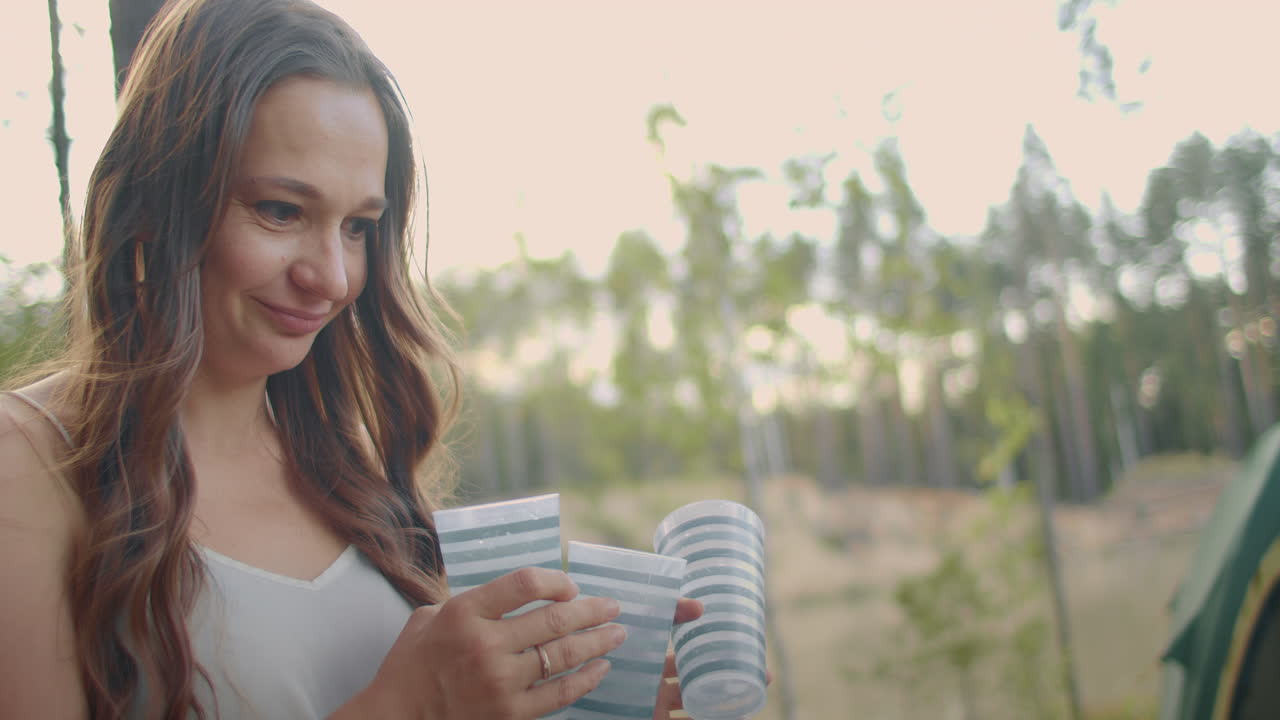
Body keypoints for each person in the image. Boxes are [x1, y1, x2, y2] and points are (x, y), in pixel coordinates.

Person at [0, 0, 705, 717]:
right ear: (160, 197)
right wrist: (409, 706)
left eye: (359, 227)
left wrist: (564, 694)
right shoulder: (29, 464)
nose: (332, 278)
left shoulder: (345, 470)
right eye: (280, 210)